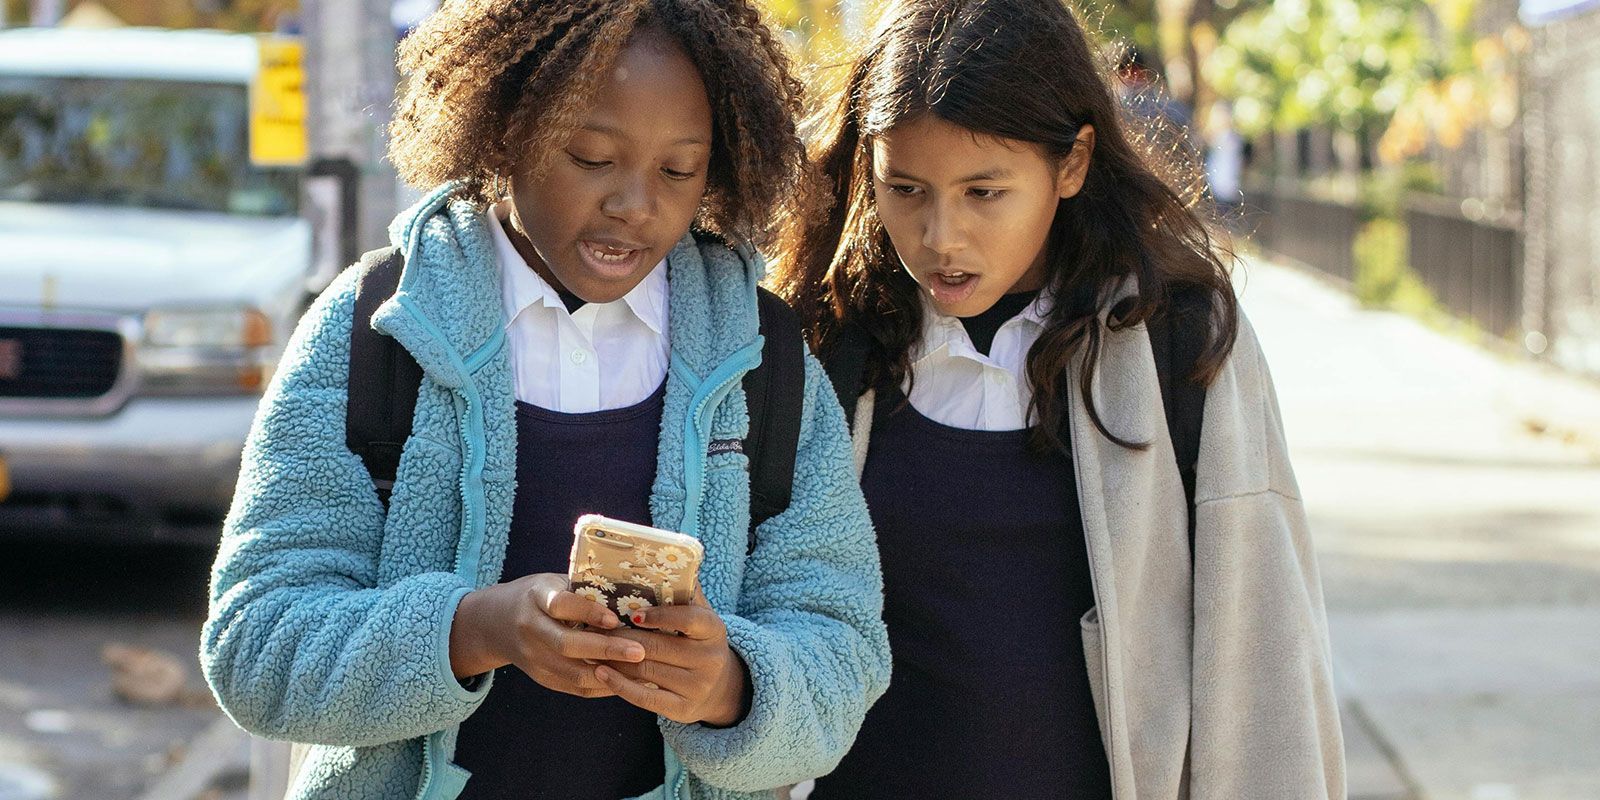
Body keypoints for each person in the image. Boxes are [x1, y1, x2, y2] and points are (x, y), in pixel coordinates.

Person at [200, 2, 890, 798]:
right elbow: (254, 646)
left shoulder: (763, 358)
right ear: (504, 128)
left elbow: (844, 651)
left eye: (678, 170)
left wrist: (729, 686)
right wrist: (475, 630)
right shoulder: (376, 330)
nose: (635, 204)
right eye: (592, 156)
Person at [771, 0, 1345, 796]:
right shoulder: (825, 338)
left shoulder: (1180, 337)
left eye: (984, 192)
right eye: (905, 188)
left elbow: (1262, 658)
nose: (941, 236)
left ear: (1071, 164)